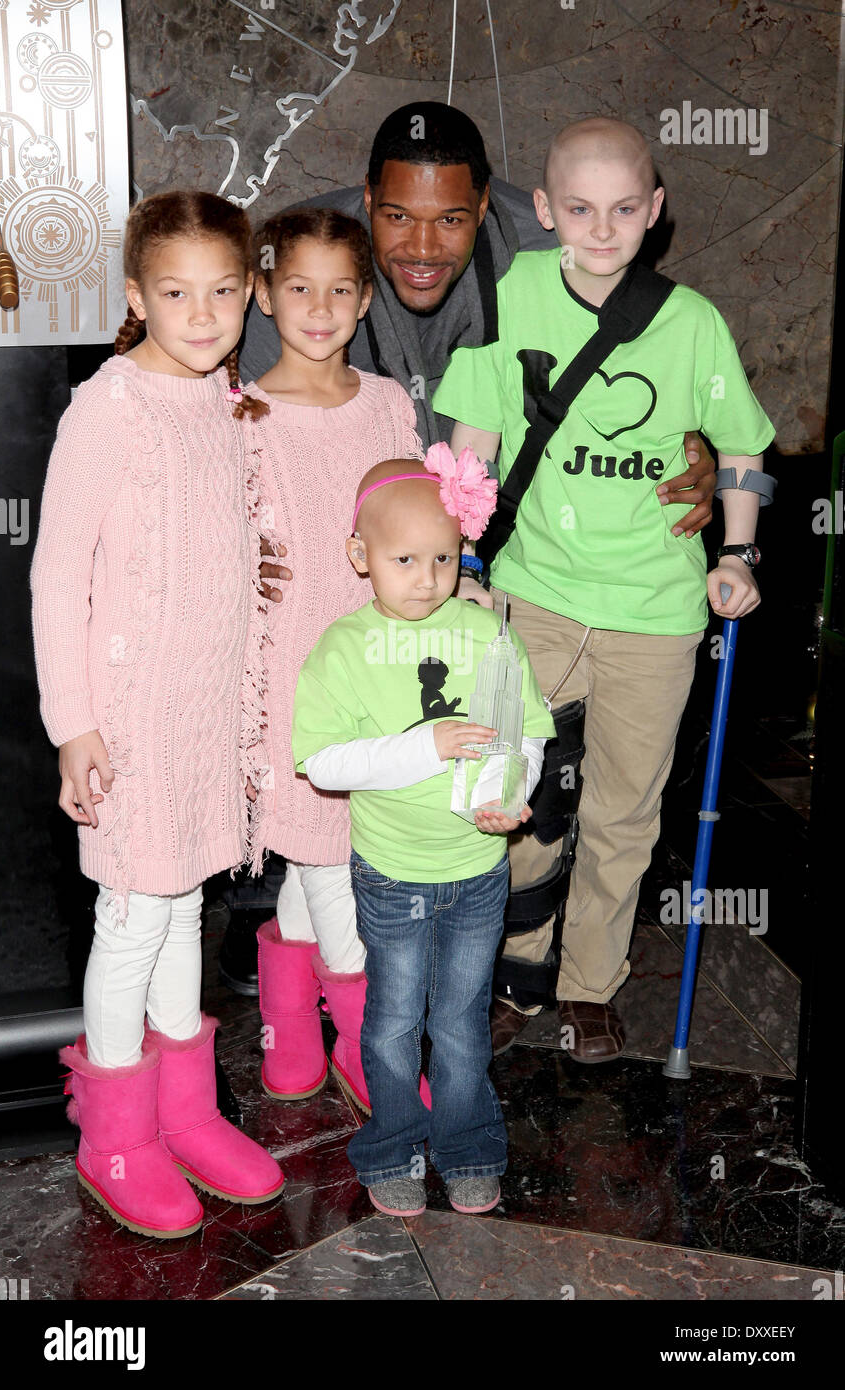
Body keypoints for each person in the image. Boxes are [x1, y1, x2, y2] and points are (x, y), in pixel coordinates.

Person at [223, 101, 717, 998]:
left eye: (451, 218)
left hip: (479, 576)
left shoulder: (552, 245)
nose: (420, 245)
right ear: (364, 198)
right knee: (327, 802)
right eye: (396, 215)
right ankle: (336, 984)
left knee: (512, 770)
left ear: (493, 208)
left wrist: (705, 447)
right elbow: (216, 407)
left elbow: (661, 356)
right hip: (330, 583)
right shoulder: (308, 270)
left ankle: (514, 960)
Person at [433, 117, 776, 1061]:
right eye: (578, 209)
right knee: (515, 794)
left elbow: (743, 443)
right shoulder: (505, 297)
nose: (600, 229)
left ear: (654, 211)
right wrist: (463, 563)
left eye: (624, 209)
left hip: (655, 610)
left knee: (625, 807)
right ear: (543, 210)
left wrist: (738, 557)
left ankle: (589, 984)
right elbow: (475, 442)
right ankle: (519, 966)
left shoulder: (691, 320)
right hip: (532, 591)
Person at [30, 191, 285, 1239]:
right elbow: (57, 576)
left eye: (224, 292)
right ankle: (116, 1133)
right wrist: (73, 722)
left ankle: (183, 1111)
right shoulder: (109, 406)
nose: (203, 313)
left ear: (248, 295)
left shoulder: (226, 401)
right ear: (137, 297)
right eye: (176, 293)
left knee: (187, 907)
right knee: (134, 918)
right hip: (131, 715)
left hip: (203, 712)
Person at [291, 451, 555, 1216]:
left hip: (476, 868)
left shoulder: (484, 633)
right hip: (392, 875)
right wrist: (427, 745)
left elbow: (526, 735)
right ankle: (393, 1146)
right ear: (359, 556)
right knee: (393, 1023)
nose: (425, 576)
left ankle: (469, 1147)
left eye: (442, 557)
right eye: (403, 559)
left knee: (464, 1023)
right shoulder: (342, 648)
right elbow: (324, 761)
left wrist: (509, 797)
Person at [245, 206, 430, 1114]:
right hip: (286, 667)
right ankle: (373, 1046)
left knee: (334, 845)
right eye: (298, 288)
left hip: (377, 659)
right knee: (326, 853)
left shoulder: (389, 404)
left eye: (339, 290)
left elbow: (415, 522)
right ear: (264, 294)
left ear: (363, 302)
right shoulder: (241, 412)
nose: (319, 308)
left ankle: (285, 1025)